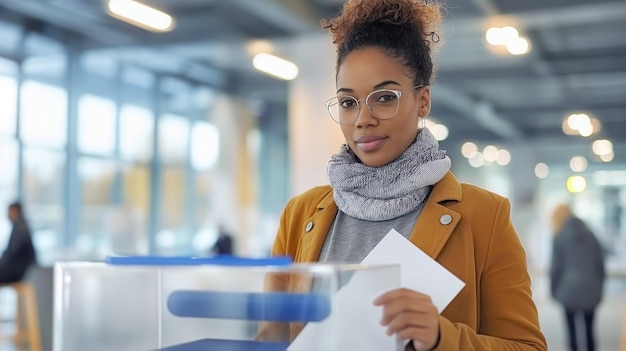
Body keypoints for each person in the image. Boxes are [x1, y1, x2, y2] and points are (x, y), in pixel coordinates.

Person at [260, 0, 547, 350]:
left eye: (384, 98)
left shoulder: (484, 217)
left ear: (422, 100)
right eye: (348, 102)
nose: (362, 119)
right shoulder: (299, 214)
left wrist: (442, 337)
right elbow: (272, 339)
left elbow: (527, 346)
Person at [550, 204, 605, 351]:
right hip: (590, 287)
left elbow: (556, 268)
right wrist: (599, 287)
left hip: (568, 290)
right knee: (590, 331)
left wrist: (553, 290)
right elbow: (600, 263)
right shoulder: (591, 235)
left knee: (572, 333)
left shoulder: (559, 237)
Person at [0, 202, 37, 283]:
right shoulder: (20, 226)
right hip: (20, 268)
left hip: (18, 270)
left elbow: (12, 252)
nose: (7, 215)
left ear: (15, 211)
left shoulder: (20, 228)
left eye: (9, 211)